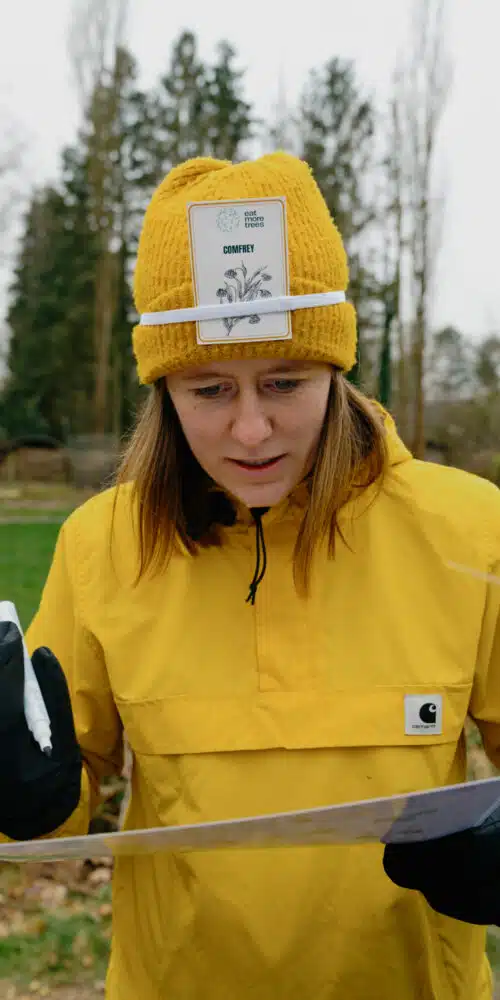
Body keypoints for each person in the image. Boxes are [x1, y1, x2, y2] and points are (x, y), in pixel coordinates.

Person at [0, 151, 500, 1000]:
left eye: (284, 380)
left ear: (335, 369)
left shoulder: (470, 531)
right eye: (208, 390)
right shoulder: (102, 546)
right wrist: (24, 800)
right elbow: (60, 787)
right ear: (163, 389)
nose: (252, 429)